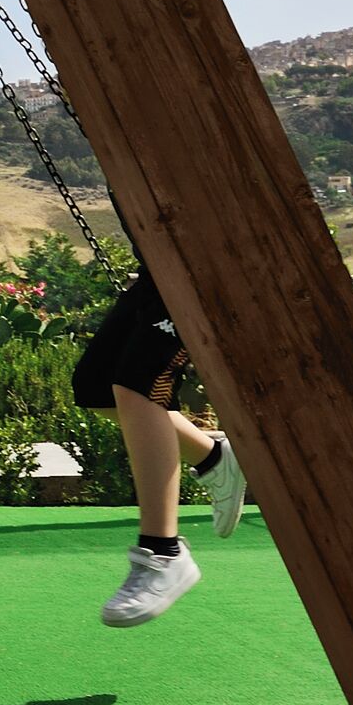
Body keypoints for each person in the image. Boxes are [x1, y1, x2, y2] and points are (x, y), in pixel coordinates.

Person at [69, 260, 243, 627]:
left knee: (138, 385)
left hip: (208, 264)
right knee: (96, 386)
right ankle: (213, 458)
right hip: (163, 268)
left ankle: (163, 553)